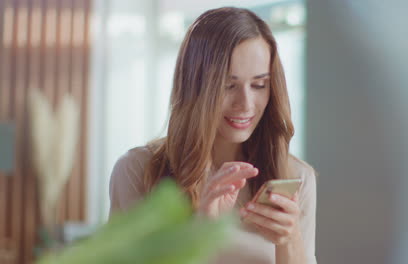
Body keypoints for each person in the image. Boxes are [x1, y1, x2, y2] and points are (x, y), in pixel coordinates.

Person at [109, 7, 317, 264]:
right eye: (228, 86)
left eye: (259, 85)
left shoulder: (296, 177)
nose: (246, 103)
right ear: (195, 86)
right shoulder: (138, 171)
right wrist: (201, 232)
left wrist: (290, 239)